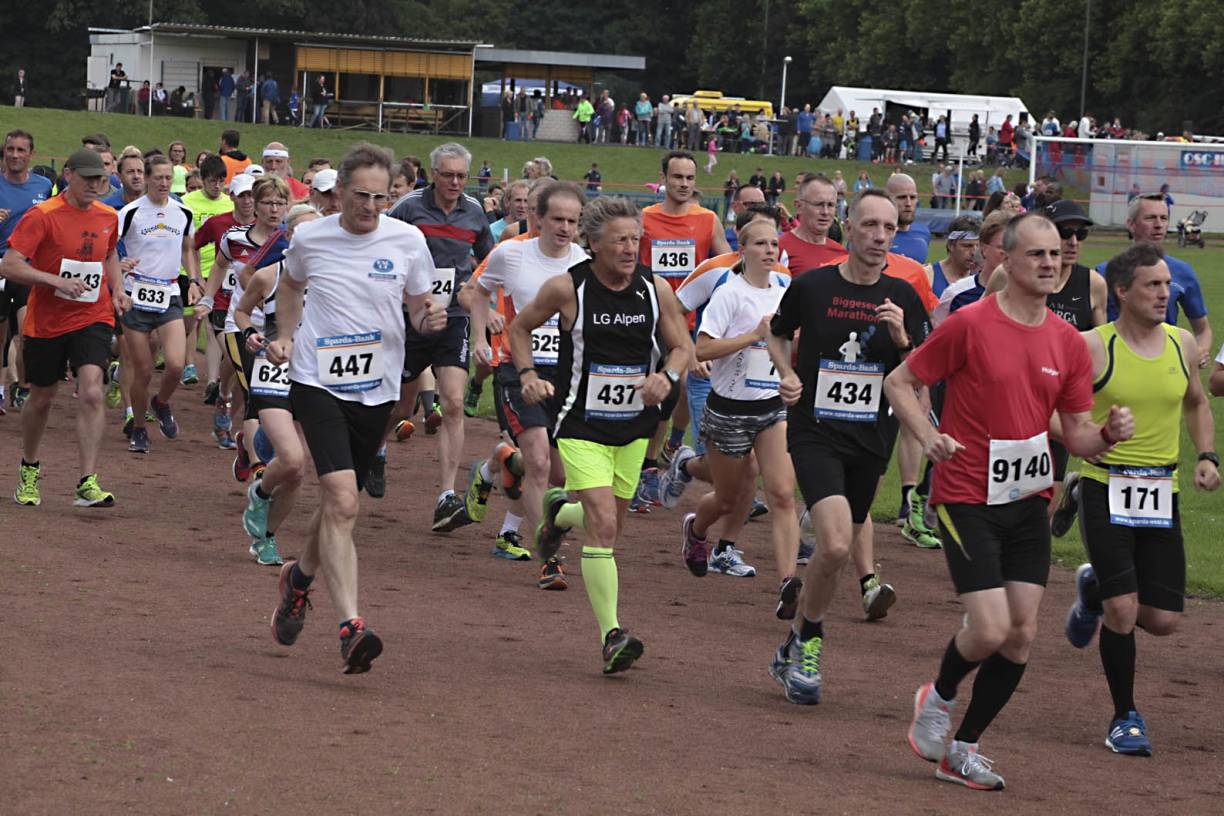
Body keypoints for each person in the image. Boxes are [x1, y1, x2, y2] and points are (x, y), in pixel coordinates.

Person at [890, 211, 1134, 792]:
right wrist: (928, 436)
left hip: (1028, 498)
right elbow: (899, 382)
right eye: (1037, 254)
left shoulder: (1069, 344)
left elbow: (1075, 434)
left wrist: (1106, 435)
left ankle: (963, 749)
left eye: (1056, 254)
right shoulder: (969, 325)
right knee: (991, 628)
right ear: (1008, 258)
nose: (1051, 262)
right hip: (965, 494)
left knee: (1021, 634)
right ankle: (938, 697)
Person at [267, 142, 443, 674]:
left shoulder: (408, 240)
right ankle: (350, 627)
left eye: (380, 197)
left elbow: (418, 306)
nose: (370, 206)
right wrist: (285, 334)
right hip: (317, 381)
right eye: (361, 195)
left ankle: (299, 579)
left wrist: (428, 319)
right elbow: (290, 286)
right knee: (343, 500)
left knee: (338, 505)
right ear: (339, 192)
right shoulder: (310, 237)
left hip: (378, 389)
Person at [509, 195, 692, 674]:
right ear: (593, 243)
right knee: (605, 526)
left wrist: (667, 376)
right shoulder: (567, 288)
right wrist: (527, 374)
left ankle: (558, 514)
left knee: (609, 524)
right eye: (619, 241)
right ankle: (612, 635)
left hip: (635, 425)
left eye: (635, 239)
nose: (630, 249)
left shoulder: (655, 289)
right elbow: (519, 328)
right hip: (580, 422)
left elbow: (682, 347)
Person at [764, 189, 932, 706]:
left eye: (889, 228)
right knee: (836, 544)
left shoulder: (903, 296)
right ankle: (810, 642)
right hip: (815, 430)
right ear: (849, 227)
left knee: (840, 544)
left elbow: (922, 370)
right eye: (870, 226)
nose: (880, 237)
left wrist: (902, 339)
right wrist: (787, 372)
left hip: (871, 437)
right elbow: (776, 334)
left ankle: (794, 640)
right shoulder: (813, 286)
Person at [1056, 242, 1219, 757]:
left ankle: (1092, 591)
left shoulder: (1181, 344)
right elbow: (1050, 411)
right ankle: (1124, 716)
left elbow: (1196, 403)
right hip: (1104, 485)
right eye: (1154, 285)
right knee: (1123, 610)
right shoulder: (1090, 347)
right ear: (1122, 291)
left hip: (1160, 491)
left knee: (1163, 620)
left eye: (1168, 284)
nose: (1165, 293)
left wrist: (1207, 455)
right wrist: (1092, 438)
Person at [463, 181, 589, 570]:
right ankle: (547, 557)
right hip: (517, 369)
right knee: (538, 462)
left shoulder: (584, 263)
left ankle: (504, 460)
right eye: (558, 219)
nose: (565, 228)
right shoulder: (511, 254)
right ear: (539, 218)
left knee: (561, 475)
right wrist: (481, 336)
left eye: (572, 221)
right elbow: (476, 292)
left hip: (565, 375)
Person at [6, 148, 131, 507]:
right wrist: (54, 281)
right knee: (42, 397)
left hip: (93, 315)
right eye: (88, 178)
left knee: (91, 391)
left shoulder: (108, 215)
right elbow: (10, 265)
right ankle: (29, 466)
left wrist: (118, 289)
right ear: (69, 174)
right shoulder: (42, 215)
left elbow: (110, 254)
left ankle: (87, 481)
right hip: (47, 320)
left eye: (100, 179)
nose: (95, 184)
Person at [681, 217, 797, 587]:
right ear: (743, 250)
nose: (769, 250)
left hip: (771, 407)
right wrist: (753, 335)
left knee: (782, 495)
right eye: (761, 244)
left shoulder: (786, 290)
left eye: (774, 244)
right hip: (729, 410)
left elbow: (792, 338)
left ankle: (788, 582)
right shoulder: (730, 293)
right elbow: (703, 348)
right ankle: (697, 531)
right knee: (727, 500)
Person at [389, 143, 495, 528]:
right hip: (411, 318)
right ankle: (376, 453)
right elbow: (381, 246)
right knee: (400, 409)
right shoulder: (409, 208)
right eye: (447, 174)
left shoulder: (474, 212)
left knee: (452, 403)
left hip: (453, 317)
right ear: (433, 174)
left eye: (461, 176)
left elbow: (488, 260)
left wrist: (477, 292)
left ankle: (447, 496)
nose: (455, 182)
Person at [632, 151, 731, 509]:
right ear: (663, 178)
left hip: (689, 322)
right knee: (651, 393)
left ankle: (670, 446)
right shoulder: (644, 219)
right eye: (677, 177)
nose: (684, 184)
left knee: (680, 387)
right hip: (647, 320)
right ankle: (644, 465)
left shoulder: (707, 220)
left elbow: (727, 267)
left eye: (690, 178)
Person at [233, 202, 317, 568]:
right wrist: (250, 333)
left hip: (313, 377)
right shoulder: (268, 275)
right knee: (293, 459)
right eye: (305, 232)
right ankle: (261, 488)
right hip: (273, 372)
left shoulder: (333, 278)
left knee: (296, 473)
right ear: (289, 237)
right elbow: (240, 311)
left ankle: (265, 537)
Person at [202, 176, 292, 514]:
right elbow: (222, 266)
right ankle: (259, 467)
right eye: (267, 202)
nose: (273, 209)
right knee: (255, 393)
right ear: (255, 204)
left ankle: (247, 441)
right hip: (240, 324)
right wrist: (208, 298)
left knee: (275, 399)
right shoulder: (235, 237)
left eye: (279, 203)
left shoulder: (293, 240)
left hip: (279, 330)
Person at [115, 155, 200, 454]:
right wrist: (119, 264)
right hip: (135, 295)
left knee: (176, 365)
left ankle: (161, 402)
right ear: (148, 179)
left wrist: (195, 280)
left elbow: (188, 248)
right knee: (144, 370)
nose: (164, 183)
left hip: (169, 293)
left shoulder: (183, 212)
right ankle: (139, 428)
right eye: (158, 178)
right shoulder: (130, 212)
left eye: (168, 178)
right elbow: (109, 247)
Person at [1094, 194, 1212, 368]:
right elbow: (1092, 329)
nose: (1158, 225)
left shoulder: (1182, 272)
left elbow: (1203, 329)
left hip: (1165, 367)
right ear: (1131, 224)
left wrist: (1200, 350)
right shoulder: (1105, 273)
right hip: (1118, 366)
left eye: (1164, 218)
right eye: (1150, 218)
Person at [0, 129, 53, 411]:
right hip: (0, 266)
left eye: (21, 150)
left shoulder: (43, 186)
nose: (15, 155)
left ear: (31, 154)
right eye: (10, 149)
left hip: (26, 268)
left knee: (25, 332)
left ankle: (22, 385)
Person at [779, 175, 846, 277]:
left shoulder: (841, 254)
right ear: (799, 206)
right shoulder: (778, 249)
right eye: (818, 204)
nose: (825, 212)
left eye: (830, 205)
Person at [929, 215, 980, 298]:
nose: (974, 253)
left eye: (978, 246)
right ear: (951, 245)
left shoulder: (983, 279)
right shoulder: (929, 276)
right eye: (967, 246)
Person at [886, 174, 932, 264]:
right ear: (887, 199)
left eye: (912, 197)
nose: (908, 203)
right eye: (902, 197)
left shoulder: (924, 232)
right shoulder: (877, 236)